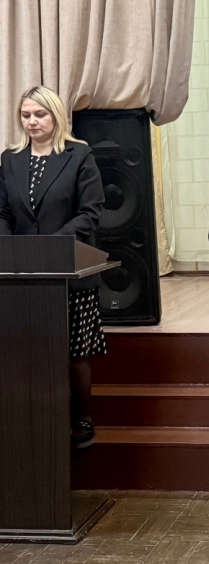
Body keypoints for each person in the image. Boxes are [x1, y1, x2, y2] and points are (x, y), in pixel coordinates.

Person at [0, 86, 106, 448]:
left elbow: (91, 212)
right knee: (29, 351)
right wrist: (11, 247)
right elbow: (3, 212)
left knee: (75, 353)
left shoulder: (79, 154)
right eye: (26, 115)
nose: (32, 122)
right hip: (23, 274)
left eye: (40, 114)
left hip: (70, 269)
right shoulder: (10, 159)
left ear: (56, 115)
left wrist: (50, 245)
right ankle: (34, 418)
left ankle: (82, 418)